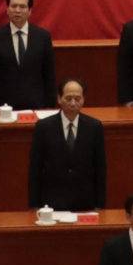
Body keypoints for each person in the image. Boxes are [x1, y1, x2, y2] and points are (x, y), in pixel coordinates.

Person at [28, 80, 106, 213]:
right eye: (68, 98)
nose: (73, 103)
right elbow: (35, 168)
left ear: (83, 100)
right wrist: (34, 204)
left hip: (85, 202)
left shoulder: (94, 127)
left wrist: (100, 205)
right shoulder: (44, 127)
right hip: (51, 203)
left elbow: (100, 168)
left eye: (77, 98)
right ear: (59, 99)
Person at [0, 0, 55, 113]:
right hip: (3, 107)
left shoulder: (43, 37)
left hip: (36, 106)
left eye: (22, 6)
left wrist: (50, 107)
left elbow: (49, 74)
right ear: (7, 10)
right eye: (13, 6)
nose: (17, 10)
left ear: (30, 11)